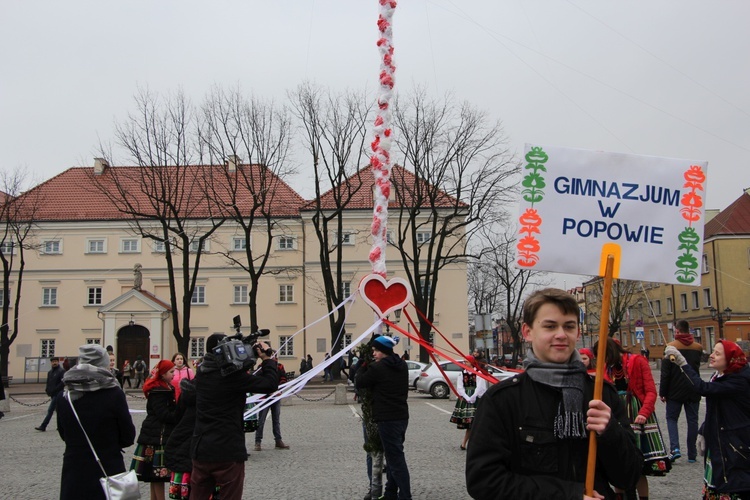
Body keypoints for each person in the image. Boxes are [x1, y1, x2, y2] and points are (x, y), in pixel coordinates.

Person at [466, 288, 642, 500]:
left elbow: (629, 477)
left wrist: (611, 431)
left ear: (578, 332)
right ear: (527, 331)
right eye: (550, 326)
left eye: (569, 326)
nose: (561, 334)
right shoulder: (502, 400)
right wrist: (568, 495)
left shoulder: (601, 394)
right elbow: (484, 482)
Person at [190, 333, 280, 500]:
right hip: (228, 450)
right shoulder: (232, 377)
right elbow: (269, 384)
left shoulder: (202, 373)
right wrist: (267, 359)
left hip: (201, 448)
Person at [665, 341, 750, 499]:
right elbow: (716, 409)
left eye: (717, 354)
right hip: (720, 441)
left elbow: (703, 389)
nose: (711, 355)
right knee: (717, 485)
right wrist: (704, 430)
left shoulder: (738, 380)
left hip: (734, 444)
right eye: (713, 352)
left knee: (734, 486)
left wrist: (682, 363)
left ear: (731, 359)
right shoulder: (720, 375)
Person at [56, 344, 136, 500]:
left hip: (74, 469)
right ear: (103, 363)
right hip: (108, 466)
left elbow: (63, 433)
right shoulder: (114, 393)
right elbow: (128, 436)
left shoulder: (64, 396)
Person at [595, 337, 670, 499]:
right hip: (616, 415)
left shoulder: (637, 361)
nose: (602, 360)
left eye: (604, 355)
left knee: (639, 465)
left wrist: (644, 412)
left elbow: (650, 390)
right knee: (617, 461)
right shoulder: (606, 367)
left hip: (637, 414)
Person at [355, 335, 412, 500]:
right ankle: (390, 493)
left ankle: (406, 496)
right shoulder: (402, 365)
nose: (373, 354)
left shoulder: (378, 369)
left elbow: (359, 381)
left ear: (384, 351)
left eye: (375, 351)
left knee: (396, 461)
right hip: (402, 416)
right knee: (394, 455)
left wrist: (362, 365)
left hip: (387, 419)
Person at [132, 359, 180, 500]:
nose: (174, 375)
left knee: (155, 477)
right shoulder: (159, 391)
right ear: (163, 374)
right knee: (158, 475)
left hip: (154, 434)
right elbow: (163, 415)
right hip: (157, 435)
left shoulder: (163, 387)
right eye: (171, 372)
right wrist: (178, 413)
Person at [659, 319, 703, 463]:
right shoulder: (698, 347)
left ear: (677, 331)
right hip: (693, 389)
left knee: (672, 419)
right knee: (692, 421)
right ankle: (692, 453)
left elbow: (665, 374)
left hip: (674, 390)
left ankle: (675, 449)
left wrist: (662, 392)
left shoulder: (670, 347)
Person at [450, 354, 489, 450]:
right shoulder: (462, 373)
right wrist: (466, 396)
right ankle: (465, 443)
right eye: (464, 361)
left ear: (471, 363)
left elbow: (480, 386)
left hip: (476, 398)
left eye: (466, 361)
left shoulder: (478, 372)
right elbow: (460, 386)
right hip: (467, 398)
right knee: (470, 423)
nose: (464, 363)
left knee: (477, 422)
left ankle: (470, 443)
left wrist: (474, 396)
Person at [254, 354, 290, 451]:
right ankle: (258, 441)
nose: (275, 359)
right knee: (261, 420)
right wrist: (267, 389)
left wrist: (278, 390)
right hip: (265, 397)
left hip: (276, 396)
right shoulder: (261, 367)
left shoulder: (280, 366)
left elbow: (283, 378)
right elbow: (258, 379)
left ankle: (278, 440)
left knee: (276, 419)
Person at [35, 356, 65, 431]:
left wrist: (55, 390)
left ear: (58, 362)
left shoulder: (61, 371)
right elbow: (48, 382)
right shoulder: (50, 372)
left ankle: (43, 426)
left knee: (50, 410)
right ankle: (61, 425)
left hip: (58, 394)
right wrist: (47, 390)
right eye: (53, 362)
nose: (54, 363)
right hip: (52, 394)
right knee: (58, 410)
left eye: (55, 361)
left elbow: (62, 383)